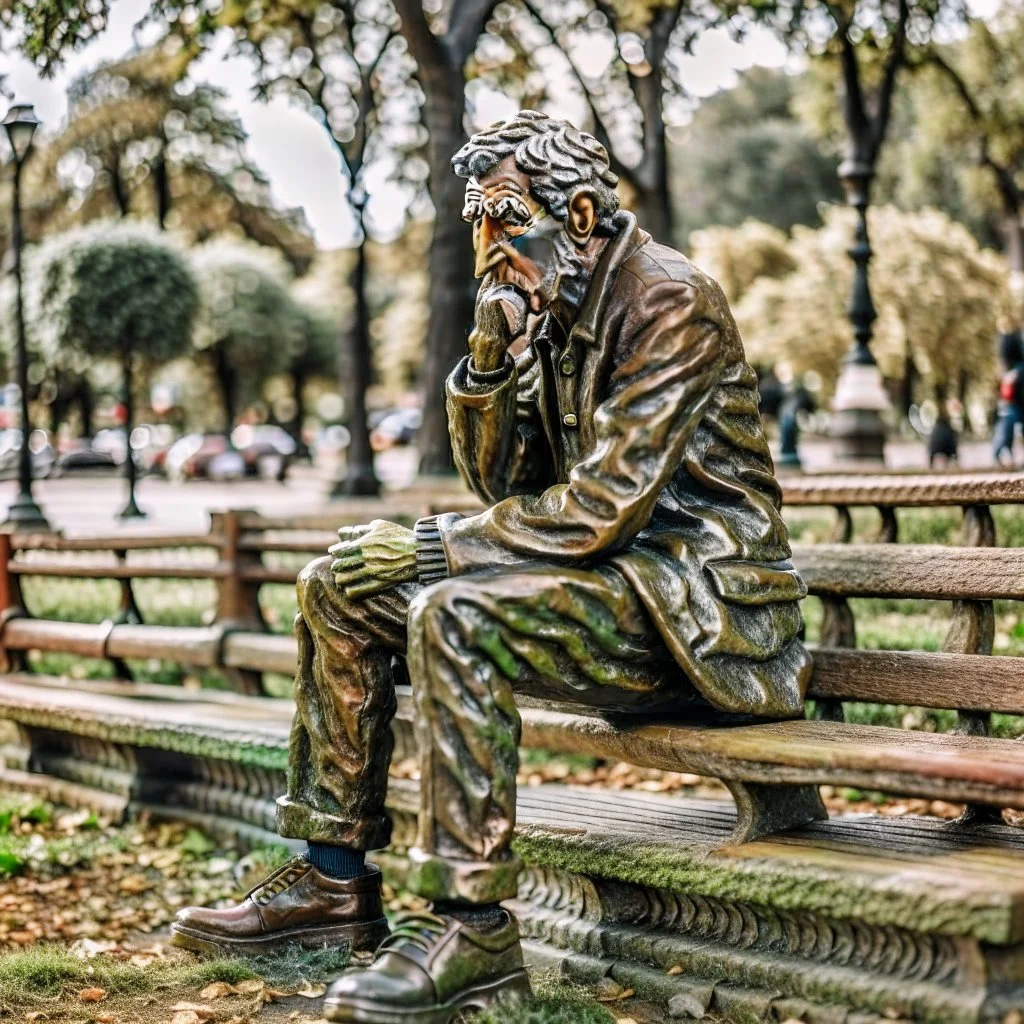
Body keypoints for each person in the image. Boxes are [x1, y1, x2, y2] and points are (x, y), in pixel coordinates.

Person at [171, 111, 811, 1023]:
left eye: (504, 223)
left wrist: (434, 547)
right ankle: (332, 880)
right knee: (337, 590)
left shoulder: (670, 300)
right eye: (477, 227)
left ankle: (471, 926)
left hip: (699, 610)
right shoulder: (555, 304)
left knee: (454, 614)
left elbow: (601, 508)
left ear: (580, 217)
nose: (486, 255)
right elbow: (506, 485)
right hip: (612, 591)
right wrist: (485, 365)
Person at [993, 330, 1024, 467]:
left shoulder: (1014, 372)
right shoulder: (1013, 371)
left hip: (1015, 403)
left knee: (1008, 420)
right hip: (1015, 403)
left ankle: (1001, 451)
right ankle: (1002, 451)